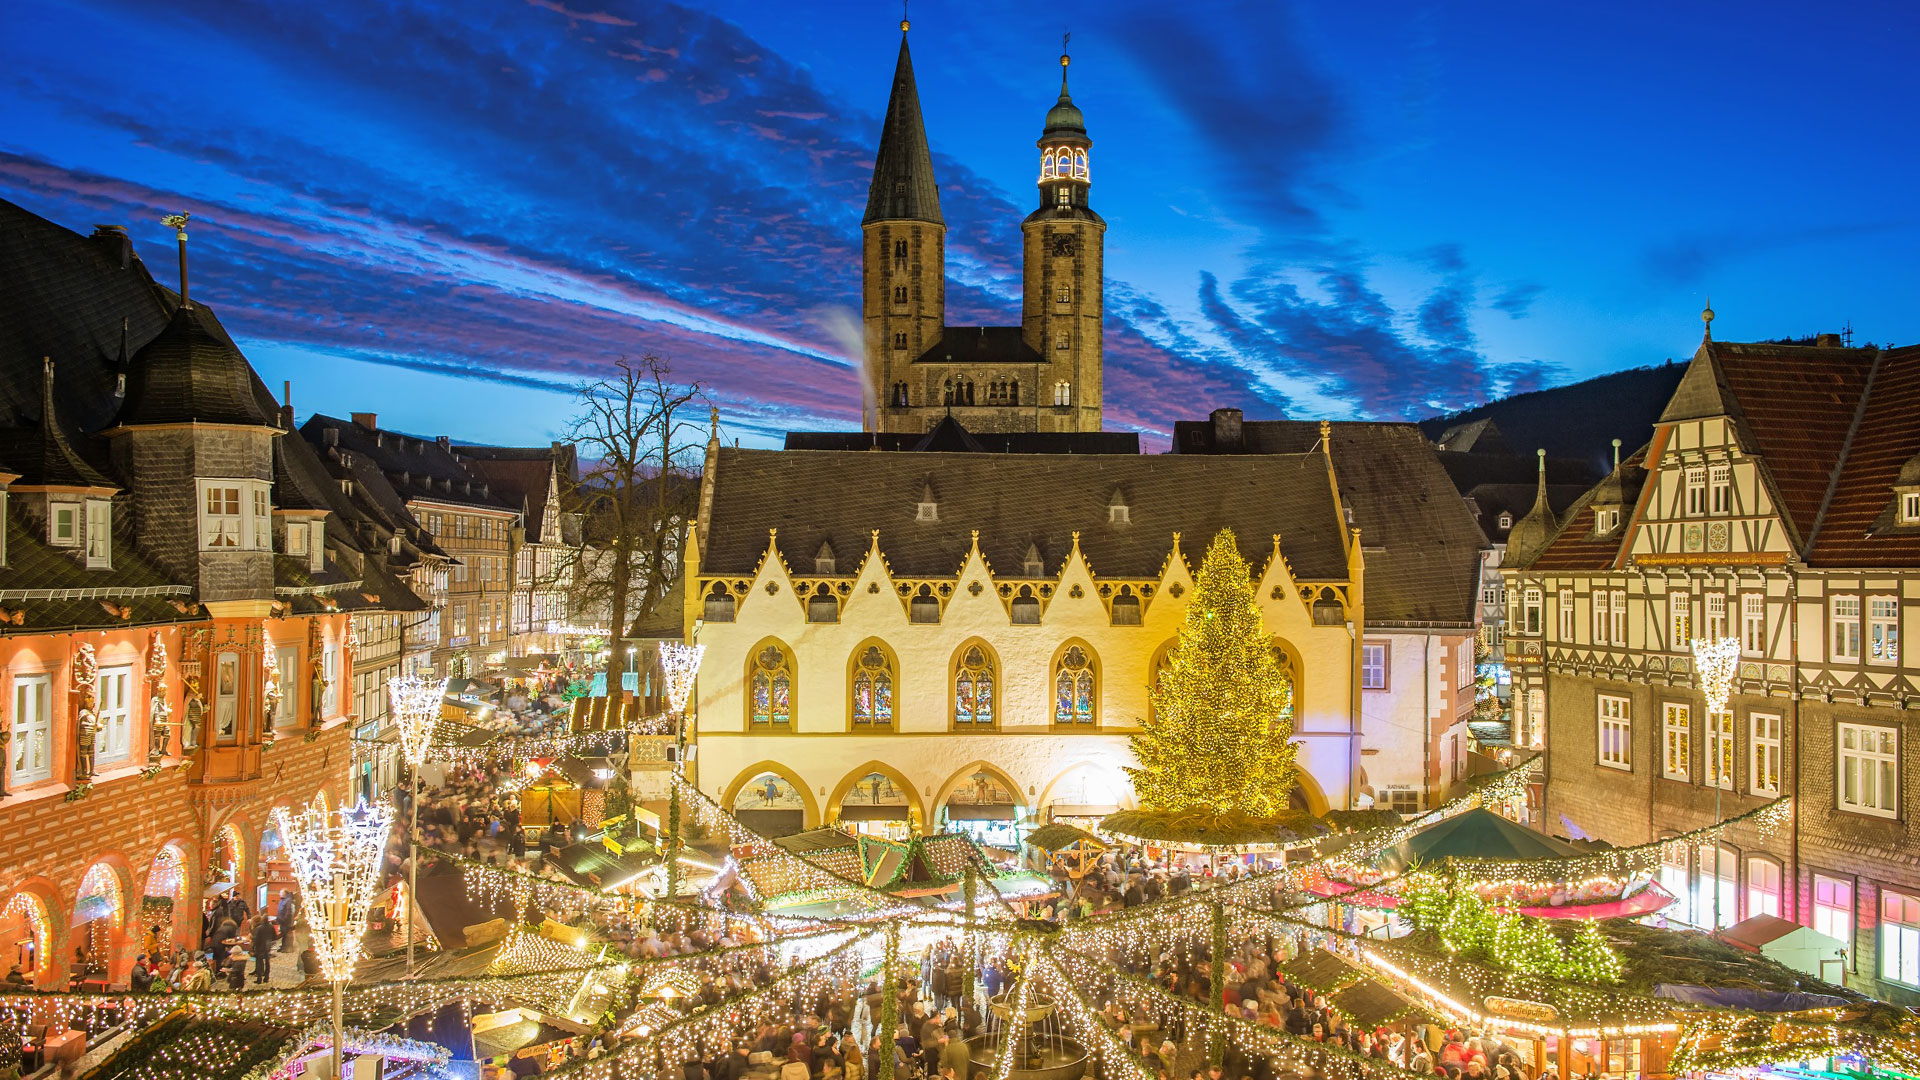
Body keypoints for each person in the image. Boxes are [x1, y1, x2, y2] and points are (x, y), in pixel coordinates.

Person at [249, 912, 277, 984]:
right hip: (267, 948)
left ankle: (259, 979)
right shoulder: (271, 927)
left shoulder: (259, 928)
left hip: (260, 948)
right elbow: (274, 936)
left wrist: (253, 947)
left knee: (259, 963)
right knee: (267, 963)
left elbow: (256, 939)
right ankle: (266, 978)